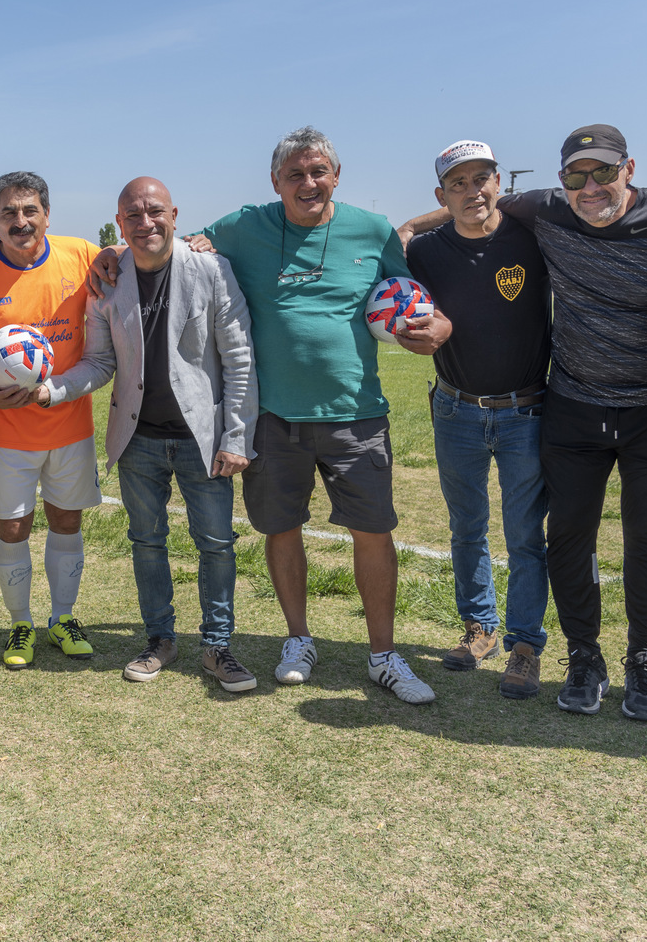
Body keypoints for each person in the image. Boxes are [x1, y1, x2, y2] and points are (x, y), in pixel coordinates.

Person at [97, 127, 449, 701]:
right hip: (273, 417)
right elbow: (169, 241)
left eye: (318, 173)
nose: (308, 183)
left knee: (373, 533)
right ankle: (298, 640)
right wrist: (116, 250)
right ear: (275, 181)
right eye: (295, 174)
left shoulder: (373, 230)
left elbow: (412, 301)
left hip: (355, 413)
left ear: (336, 175)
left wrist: (439, 327)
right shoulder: (243, 226)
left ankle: (384, 656)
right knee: (280, 530)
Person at [401, 124, 647, 721]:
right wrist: (406, 234)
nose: (590, 187)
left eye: (603, 172)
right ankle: (528, 640)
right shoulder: (474, 236)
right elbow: (427, 249)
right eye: (576, 176)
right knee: (513, 532)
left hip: (590, 409)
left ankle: (585, 653)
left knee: (596, 538)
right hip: (514, 407)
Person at [39, 177, 259, 690]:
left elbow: (239, 357)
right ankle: (159, 639)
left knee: (217, 544)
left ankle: (217, 646)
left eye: (154, 211)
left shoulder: (211, 269)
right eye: (132, 216)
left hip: (201, 439)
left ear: (175, 215)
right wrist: (51, 390)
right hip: (136, 439)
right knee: (146, 542)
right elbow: (97, 361)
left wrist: (235, 436)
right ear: (120, 224)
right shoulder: (109, 280)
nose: (145, 223)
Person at [405, 141, 551, 699]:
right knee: (466, 528)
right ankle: (479, 627)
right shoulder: (425, 253)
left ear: (499, 181)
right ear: (442, 194)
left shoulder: (532, 237)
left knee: (523, 536)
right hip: (455, 408)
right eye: (458, 184)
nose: (473, 192)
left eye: (481, 178)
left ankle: (524, 646)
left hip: (527, 412)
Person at [0, 172, 103, 668]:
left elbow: (126, 259)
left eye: (29, 210)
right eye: (8, 213)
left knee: (66, 519)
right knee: (13, 528)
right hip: (8, 433)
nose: (20, 222)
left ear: (46, 213)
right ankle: (20, 625)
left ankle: (62, 618)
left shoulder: (82, 257)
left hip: (70, 425)